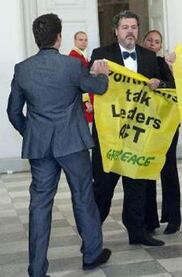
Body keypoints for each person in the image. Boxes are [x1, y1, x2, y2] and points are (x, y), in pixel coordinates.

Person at [7, 13, 111, 277]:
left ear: (36, 38)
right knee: (83, 197)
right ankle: (92, 253)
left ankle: (37, 269)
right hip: (72, 143)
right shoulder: (71, 66)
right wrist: (102, 74)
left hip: (40, 147)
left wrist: (31, 132)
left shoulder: (22, 69)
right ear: (59, 37)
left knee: (39, 205)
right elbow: (97, 89)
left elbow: (13, 112)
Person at [89, 10, 165, 246]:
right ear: (116, 31)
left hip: (138, 133)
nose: (130, 31)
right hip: (109, 133)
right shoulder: (101, 55)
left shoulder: (149, 57)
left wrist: (159, 83)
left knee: (137, 184)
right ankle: (91, 235)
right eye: (125, 27)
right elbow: (87, 82)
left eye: (134, 27)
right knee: (102, 186)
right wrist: (95, 74)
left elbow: (169, 86)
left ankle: (137, 232)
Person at [142, 30, 181, 234]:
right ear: (143, 42)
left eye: (156, 42)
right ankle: (149, 220)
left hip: (165, 124)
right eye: (149, 40)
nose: (152, 44)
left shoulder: (162, 63)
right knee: (146, 170)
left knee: (168, 169)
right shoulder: (136, 61)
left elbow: (175, 86)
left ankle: (173, 218)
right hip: (143, 124)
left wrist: (161, 85)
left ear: (160, 46)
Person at [69, 31, 94, 124]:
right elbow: (79, 82)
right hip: (83, 101)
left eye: (85, 40)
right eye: (80, 40)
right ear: (75, 41)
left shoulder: (81, 56)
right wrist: (86, 101)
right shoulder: (75, 57)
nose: (84, 42)